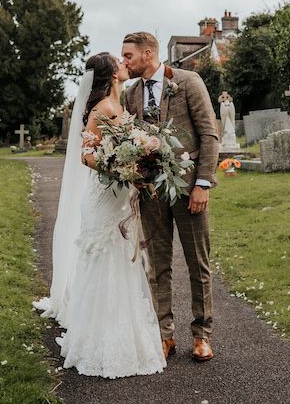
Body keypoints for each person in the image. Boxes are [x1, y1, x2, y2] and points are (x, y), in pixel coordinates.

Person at [33, 52, 165, 378]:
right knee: (104, 258)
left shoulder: (119, 107)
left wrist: (139, 164)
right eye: (118, 62)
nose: (124, 63)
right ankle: (96, 339)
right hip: (103, 196)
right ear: (111, 74)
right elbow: (86, 156)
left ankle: (122, 330)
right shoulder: (101, 108)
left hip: (119, 197)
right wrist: (118, 167)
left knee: (122, 260)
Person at [122, 32, 219, 362]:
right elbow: (132, 140)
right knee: (158, 267)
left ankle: (202, 335)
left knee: (198, 264)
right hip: (152, 192)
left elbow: (208, 134)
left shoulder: (188, 82)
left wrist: (203, 183)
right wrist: (135, 175)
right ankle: (164, 336)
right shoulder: (131, 93)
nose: (125, 63)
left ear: (148, 54)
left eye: (129, 56)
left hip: (189, 186)